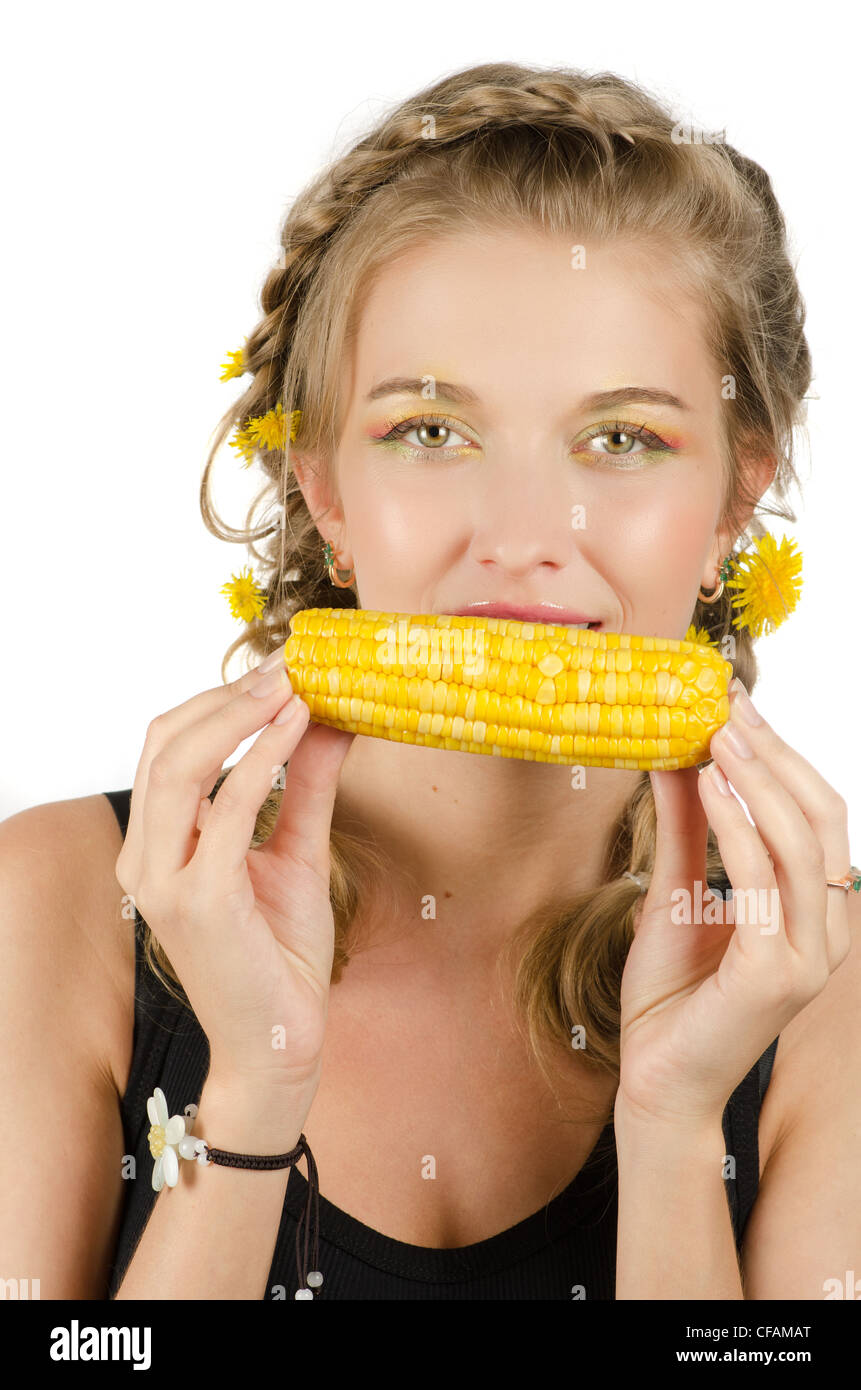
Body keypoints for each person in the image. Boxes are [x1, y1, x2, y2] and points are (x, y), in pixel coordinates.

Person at [1, 61, 858, 1302]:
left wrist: (675, 1128)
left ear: (736, 500)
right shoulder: (61, 907)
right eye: (432, 430)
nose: (525, 535)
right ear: (325, 492)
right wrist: (253, 1092)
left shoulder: (827, 987)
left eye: (622, 437)